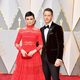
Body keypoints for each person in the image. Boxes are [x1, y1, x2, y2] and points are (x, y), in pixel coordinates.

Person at [11, 11, 45, 80]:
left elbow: (41, 44)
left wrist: (33, 51)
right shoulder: (21, 30)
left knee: (33, 76)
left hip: (34, 56)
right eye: (27, 19)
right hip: (23, 55)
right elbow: (16, 43)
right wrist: (21, 50)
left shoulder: (37, 31)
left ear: (34, 20)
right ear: (25, 20)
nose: (29, 21)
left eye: (31, 19)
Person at [40, 8, 64, 80]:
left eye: (48, 15)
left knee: (55, 78)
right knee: (46, 78)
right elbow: (39, 44)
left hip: (54, 59)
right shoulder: (41, 29)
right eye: (45, 15)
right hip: (44, 58)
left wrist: (59, 58)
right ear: (43, 16)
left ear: (52, 16)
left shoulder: (57, 28)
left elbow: (60, 44)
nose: (46, 17)